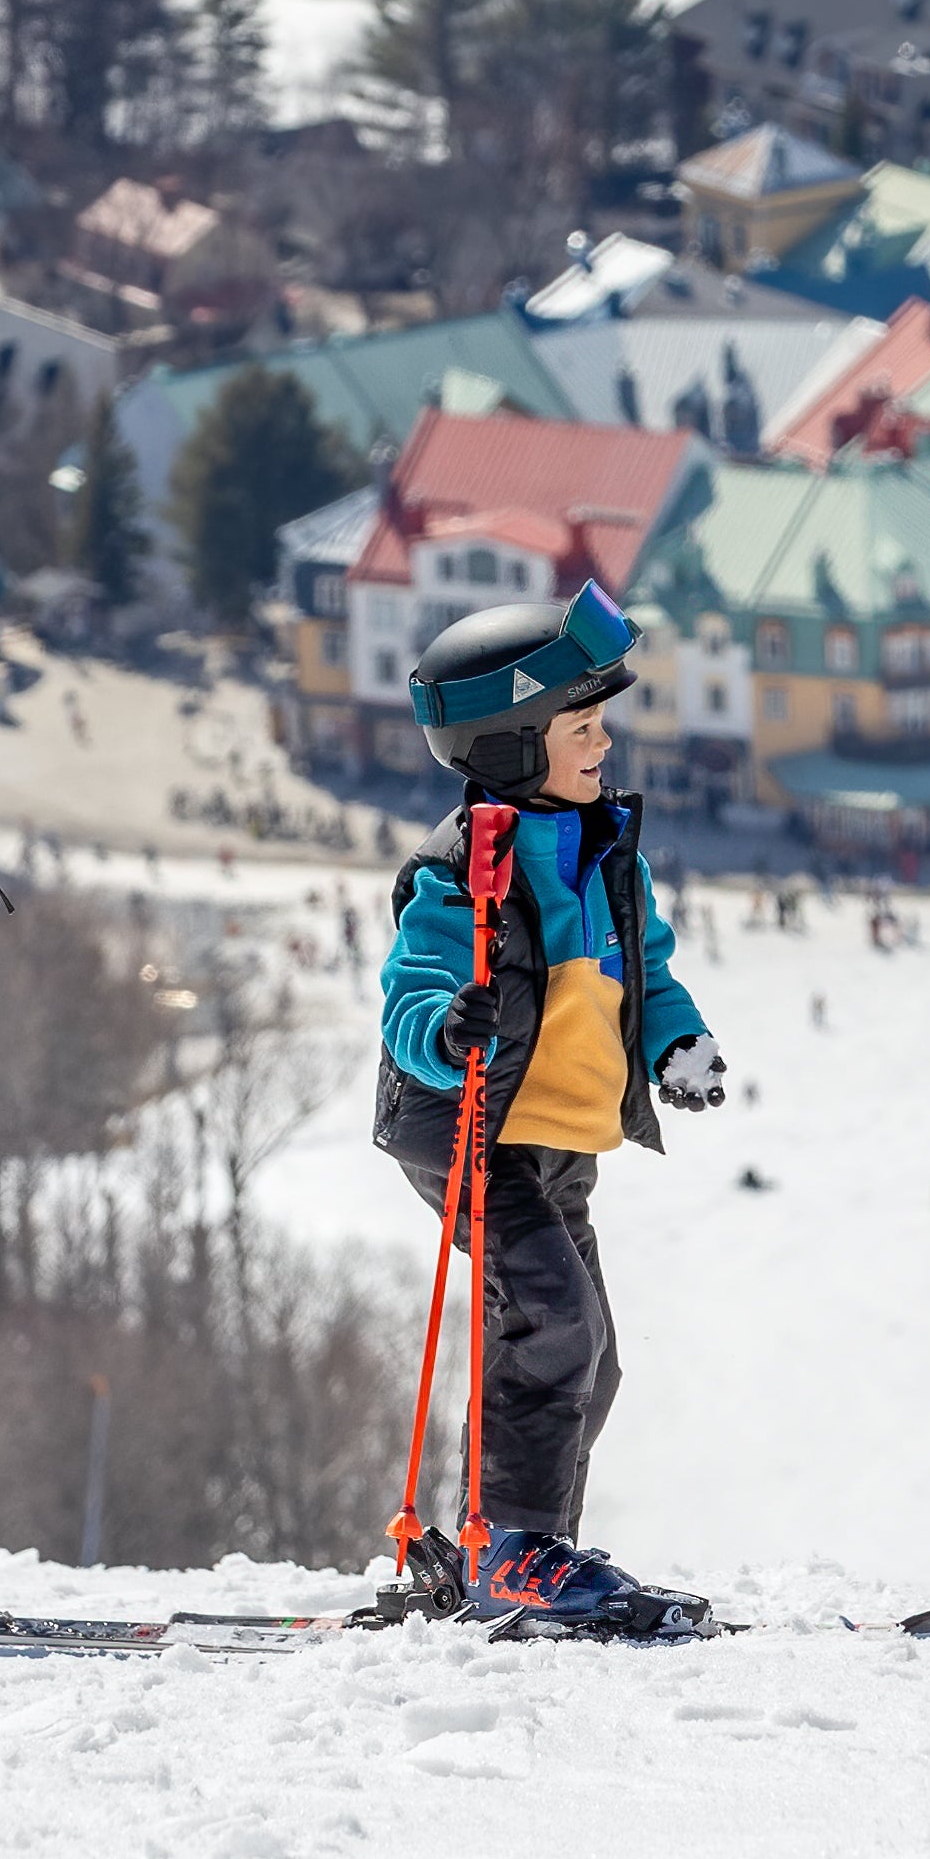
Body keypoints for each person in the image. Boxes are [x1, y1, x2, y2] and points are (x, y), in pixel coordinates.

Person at [379, 583, 729, 1639]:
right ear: (513, 745)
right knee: (552, 1326)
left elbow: (645, 971)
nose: (604, 743)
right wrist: (449, 1029)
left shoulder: (605, 846)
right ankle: (510, 1548)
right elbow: (410, 999)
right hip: (475, 1135)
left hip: (556, 1140)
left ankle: (536, 1543)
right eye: (582, 727)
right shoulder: (463, 871)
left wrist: (677, 1041)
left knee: (593, 1353)